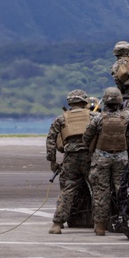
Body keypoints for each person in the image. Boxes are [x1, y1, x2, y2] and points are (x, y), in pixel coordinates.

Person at [82, 87, 129, 236]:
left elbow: (86, 137)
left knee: (101, 192)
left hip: (101, 157)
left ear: (105, 101)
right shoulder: (125, 117)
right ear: (120, 101)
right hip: (121, 157)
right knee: (122, 190)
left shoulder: (98, 119)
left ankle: (100, 226)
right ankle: (125, 220)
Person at [45, 89, 94, 234]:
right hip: (90, 158)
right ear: (85, 102)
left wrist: (52, 161)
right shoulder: (94, 116)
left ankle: (57, 224)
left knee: (67, 191)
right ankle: (100, 224)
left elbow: (51, 141)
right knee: (98, 190)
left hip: (70, 158)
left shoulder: (61, 119)